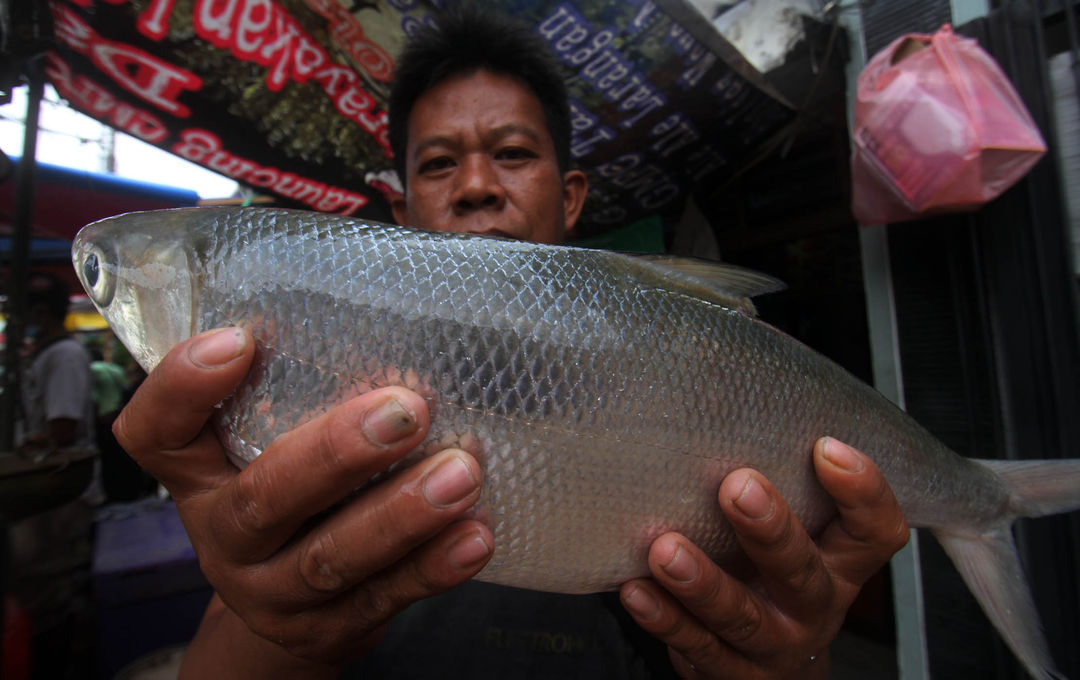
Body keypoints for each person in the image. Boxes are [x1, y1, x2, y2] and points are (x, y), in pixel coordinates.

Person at [113, 8, 910, 679]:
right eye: (438, 163)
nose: (476, 185)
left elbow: (781, 632)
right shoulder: (326, 407)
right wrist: (276, 607)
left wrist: (783, 658)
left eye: (513, 153)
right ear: (401, 221)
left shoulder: (698, 365)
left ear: (570, 198)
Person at [9, 273, 99, 678]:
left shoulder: (63, 355)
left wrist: (32, 443)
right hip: (46, 486)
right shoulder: (42, 353)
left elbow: (63, 424)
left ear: (40, 313)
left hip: (61, 488)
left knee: (53, 588)